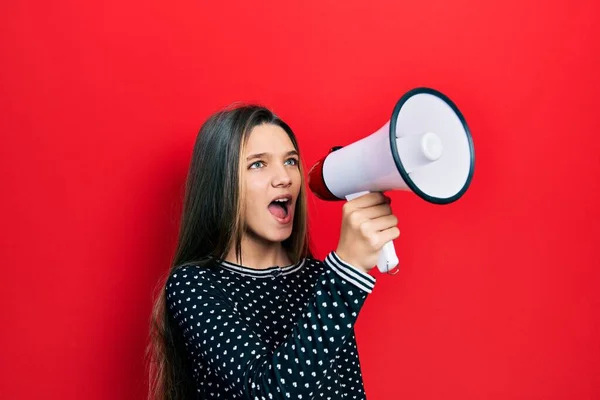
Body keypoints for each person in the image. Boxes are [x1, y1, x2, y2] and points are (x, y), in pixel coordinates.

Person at [147, 104, 400, 400]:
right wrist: (347, 270)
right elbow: (269, 392)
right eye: (258, 164)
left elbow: (349, 390)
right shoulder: (194, 285)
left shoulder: (320, 279)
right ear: (220, 183)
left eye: (291, 161)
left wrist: (340, 276)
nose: (284, 178)